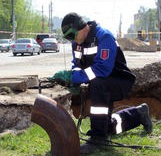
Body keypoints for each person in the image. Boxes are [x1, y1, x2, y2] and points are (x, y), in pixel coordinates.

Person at [49, 12, 152, 154]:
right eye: (67, 38)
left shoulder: (104, 37)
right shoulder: (77, 44)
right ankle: (138, 114)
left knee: (96, 84)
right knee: (107, 127)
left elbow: (102, 69)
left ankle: (97, 137)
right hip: (102, 83)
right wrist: (74, 81)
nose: (71, 40)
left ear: (82, 27)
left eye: (72, 36)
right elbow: (77, 65)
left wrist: (74, 77)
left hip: (120, 80)